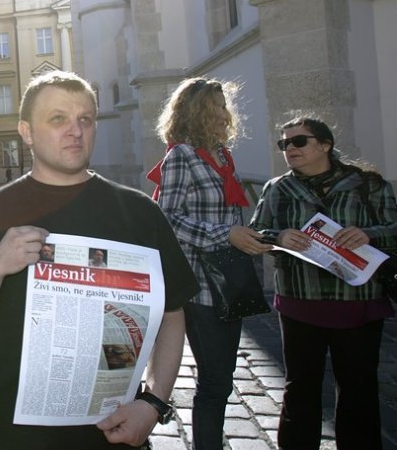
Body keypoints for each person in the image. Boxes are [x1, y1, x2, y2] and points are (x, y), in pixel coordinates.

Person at [0, 70, 198, 450]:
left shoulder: (139, 211)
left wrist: (154, 403)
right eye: (58, 119)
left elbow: (172, 313)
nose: (75, 130)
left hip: (114, 432)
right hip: (14, 436)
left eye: (85, 119)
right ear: (26, 132)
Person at [251, 116, 397, 450]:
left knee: (358, 389)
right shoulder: (277, 187)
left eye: (298, 141)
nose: (290, 149)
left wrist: (368, 235)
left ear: (325, 145)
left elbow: (394, 228)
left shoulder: (368, 184)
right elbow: (258, 232)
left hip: (357, 302)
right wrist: (280, 236)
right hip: (300, 301)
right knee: (300, 388)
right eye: (284, 143)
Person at [147, 77, 271, 450]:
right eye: (215, 107)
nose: (223, 114)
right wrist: (225, 234)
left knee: (222, 379)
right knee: (215, 382)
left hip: (228, 280)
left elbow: (224, 214)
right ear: (194, 111)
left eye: (224, 107)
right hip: (199, 285)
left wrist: (251, 235)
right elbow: (165, 219)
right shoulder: (181, 155)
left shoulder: (222, 155)